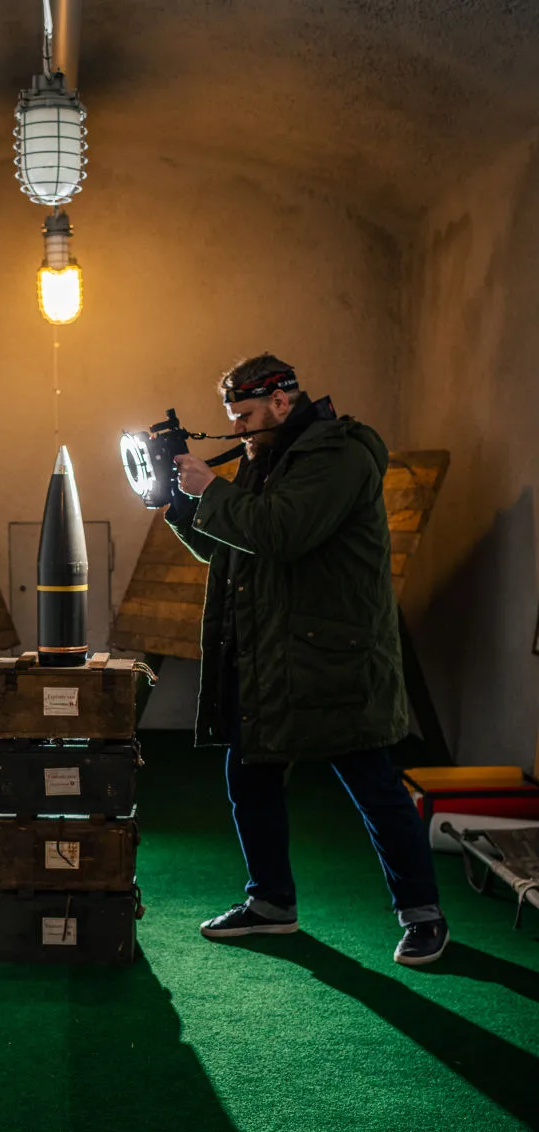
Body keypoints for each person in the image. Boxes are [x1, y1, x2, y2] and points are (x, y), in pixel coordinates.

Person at [168, 352, 449, 966]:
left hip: (334, 660)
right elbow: (238, 552)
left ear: (282, 399)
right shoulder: (269, 459)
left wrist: (211, 488)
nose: (238, 429)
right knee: (249, 779)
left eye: (244, 415)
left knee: (375, 789)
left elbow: (280, 532)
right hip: (273, 659)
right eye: (232, 418)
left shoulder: (337, 453)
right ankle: (271, 904)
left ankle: (423, 914)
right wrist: (180, 506)